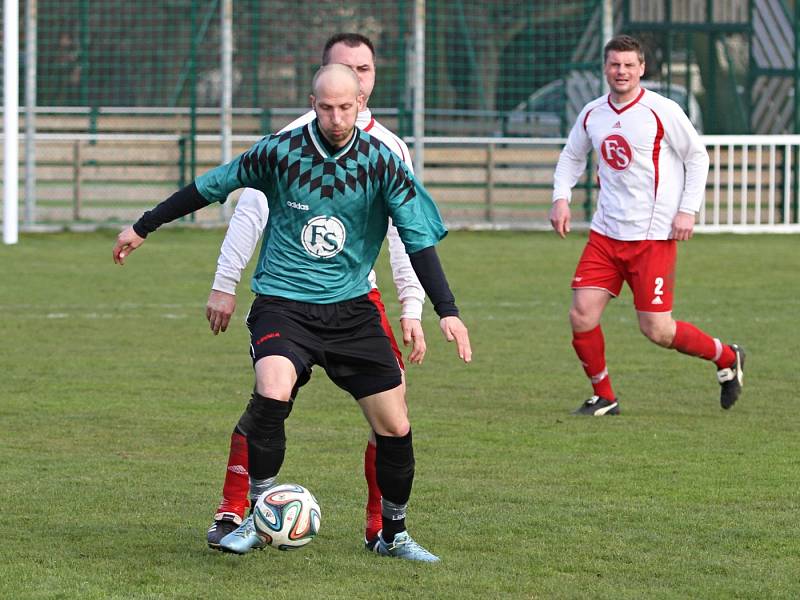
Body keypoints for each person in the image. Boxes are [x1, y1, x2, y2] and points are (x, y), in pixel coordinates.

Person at [113, 64, 472, 562]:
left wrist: (446, 310)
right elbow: (209, 187)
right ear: (312, 102)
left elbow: (417, 239)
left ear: (362, 104)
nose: (335, 117)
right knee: (272, 389)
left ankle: (394, 534)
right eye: (326, 107)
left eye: (346, 107)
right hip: (284, 304)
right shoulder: (279, 152)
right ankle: (260, 517)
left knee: (395, 425)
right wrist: (144, 225)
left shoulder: (383, 162)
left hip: (351, 310)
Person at [204, 33, 427, 553]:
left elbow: (405, 234)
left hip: (355, 300)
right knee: (269, 395)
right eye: (344, 68)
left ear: (368, 84)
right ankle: (236, 510)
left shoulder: (389, 150)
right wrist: (224, 282)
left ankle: (383, 528)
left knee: (391, 417)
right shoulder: (290, 142)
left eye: (364, 69)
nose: (356, 78)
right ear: (320, 84)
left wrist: (413, 307)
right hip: (289, 295)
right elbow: (250, 211)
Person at [549, 34, 744, 416]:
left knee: (658, 330)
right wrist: (561, 197)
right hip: (606, 235)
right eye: (614, 64)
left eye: (628, 65)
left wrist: (688, 209)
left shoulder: (662, 110)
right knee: (581, 313)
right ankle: (604, 396)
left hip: (652, 237)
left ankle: (725, 356)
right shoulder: (593, 113)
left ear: (641, 69)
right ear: (605, 68)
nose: (621, 71)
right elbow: (572, 155)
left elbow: (697, 157)